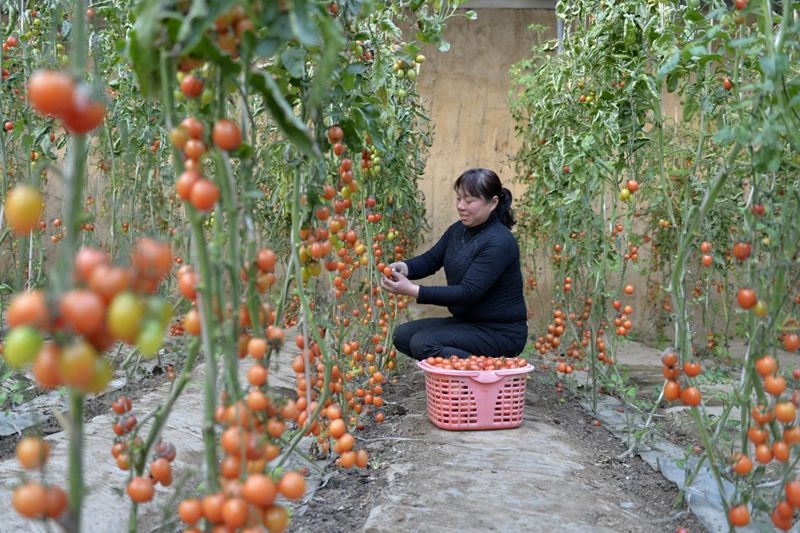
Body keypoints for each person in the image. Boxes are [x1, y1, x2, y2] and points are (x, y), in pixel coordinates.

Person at [380, 168, 528, 361]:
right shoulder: (458, 230)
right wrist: (404, 268)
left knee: (424, 344)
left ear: (492, 203)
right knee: (402, 336)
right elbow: (431, 260)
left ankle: (489, 374)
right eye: (459, 198)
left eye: (469, 200)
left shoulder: (499, 242)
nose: (461, 206)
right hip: (468, 323)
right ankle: (468, 373)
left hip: (500, 332)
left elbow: (468, 293)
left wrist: (413, 290)